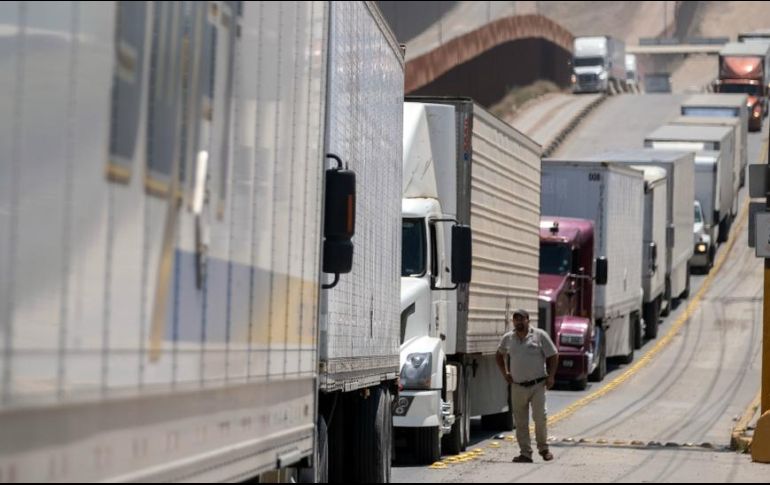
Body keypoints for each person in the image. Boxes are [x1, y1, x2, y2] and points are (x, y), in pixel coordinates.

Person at [495, 309, 559, 463]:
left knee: (540, 417)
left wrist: (551, 376)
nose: (518, 322)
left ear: (528, 320)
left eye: (521, 319)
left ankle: (544, 449)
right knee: (521, 421)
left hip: (537, 385)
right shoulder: (508, 338)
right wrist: (506, 373)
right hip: (517, 386)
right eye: (515, 320)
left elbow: (553, 355)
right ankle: (525, 453)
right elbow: (499, 354)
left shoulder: (539, 335)